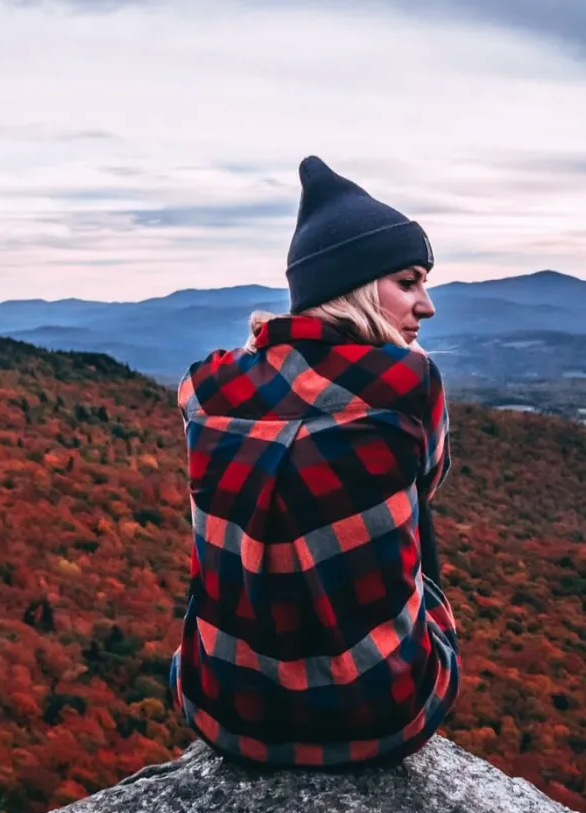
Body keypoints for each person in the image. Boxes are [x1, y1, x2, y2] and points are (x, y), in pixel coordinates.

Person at [168, 155, 459, 768]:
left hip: (220, 711)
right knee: (409, 501)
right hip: (382, 716)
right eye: (408, 283)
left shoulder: (206, 386)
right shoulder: (411, 384)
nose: (426, 306)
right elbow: (427, 482)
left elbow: (215, 385)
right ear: (350, 288)